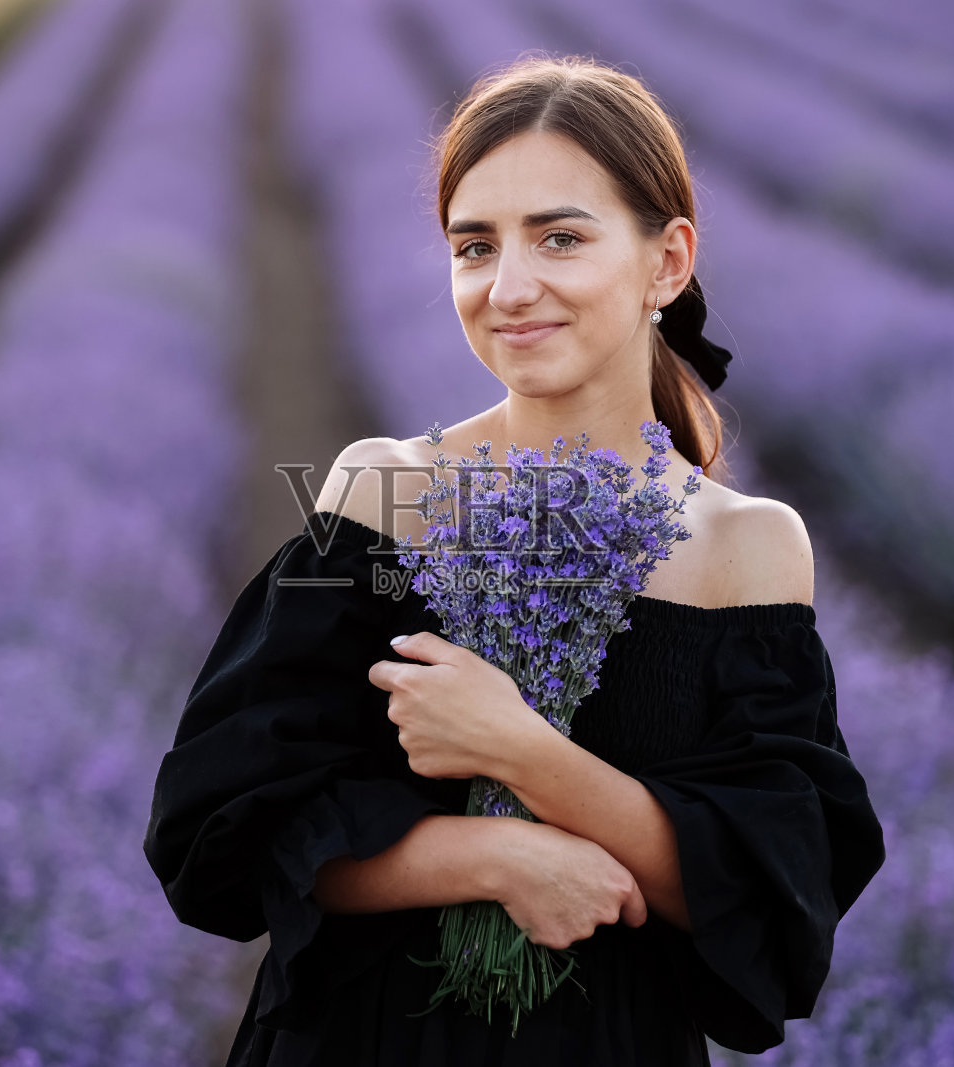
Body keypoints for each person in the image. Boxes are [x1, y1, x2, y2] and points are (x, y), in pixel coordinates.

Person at [143, 53, 886, 1066]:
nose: (509, 288)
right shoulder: (382, 491)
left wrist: (522, 752)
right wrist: (495, 854)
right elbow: (224, 829)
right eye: (475, 246)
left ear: (667, 262)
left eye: (560, 238)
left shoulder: (746, 546)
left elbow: (770, 894)